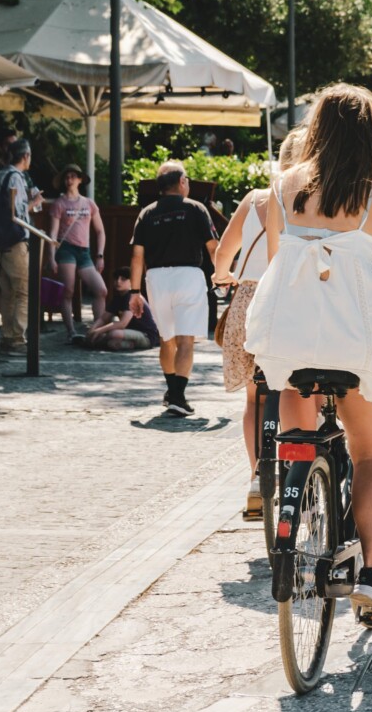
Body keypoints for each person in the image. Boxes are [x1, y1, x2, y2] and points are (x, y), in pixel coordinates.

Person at [244, 84, 372, 625]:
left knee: (296, 440)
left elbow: (275, 268)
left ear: (316, 130)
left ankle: (294, 506)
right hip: (356, 338)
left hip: (288, 338)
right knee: (368, 455)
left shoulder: (283, 187)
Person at [214, 128, 306, 520]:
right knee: (297, 390)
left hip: (248, 302)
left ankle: (256, 477)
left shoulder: (255, 200)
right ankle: (298, 476)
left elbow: (223, 254)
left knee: (254, 398)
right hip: (293, 301)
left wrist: (224, 277)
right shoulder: (310, 200)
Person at [128, 160, 219, 417]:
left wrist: (134, 293)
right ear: (181, 182)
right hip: (188, 276)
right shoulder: (196, 209)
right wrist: (223, 276)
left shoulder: (147, 213)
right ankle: (178, 394)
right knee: (186, 339)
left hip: (157, 278)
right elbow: (213, 247)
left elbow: (137, 256)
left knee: (166, 339)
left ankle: (172, 390)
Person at [0, 138, 44, 355]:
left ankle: (7, 337)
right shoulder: (16, 178)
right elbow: (17, 213)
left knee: (8, 290)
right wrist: (34, 203)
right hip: (16, 240)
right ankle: (17, 339)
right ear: (26, 156)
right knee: (23, 291)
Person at [46, 165, 107, 339]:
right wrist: (51, 257)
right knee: (68, 291)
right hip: (66, 250)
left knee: (101, 290)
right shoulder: (60, 204)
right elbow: (52, 233)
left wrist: (100, 255)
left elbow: (100, 231)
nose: (70, 180)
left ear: (80, 180)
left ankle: (97, 330)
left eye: (73, 176)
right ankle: (71, 331)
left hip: (85, 251)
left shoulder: (89, 203)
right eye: (67, 177)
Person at [80, 280, 160, 351]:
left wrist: (99, 331)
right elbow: (103, 319)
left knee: (114, 334)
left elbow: (122, 323)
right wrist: (92, 330)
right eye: (116, 278)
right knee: (111, 342)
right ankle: (108, 343)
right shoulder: (118, 297)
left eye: (123, 279)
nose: (118, 281)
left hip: (146, 336)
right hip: (131, 332)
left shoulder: (132, 297)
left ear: (131, 282)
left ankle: (101, 342)